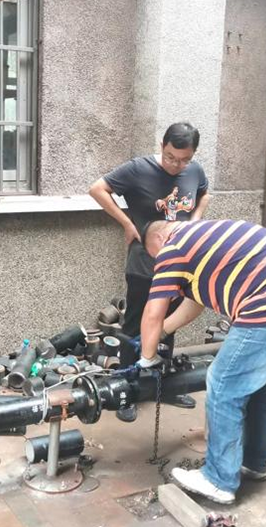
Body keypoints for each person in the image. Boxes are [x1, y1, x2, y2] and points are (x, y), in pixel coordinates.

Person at [138, 218, 266, 504]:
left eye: (155, 256)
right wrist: (161, 334)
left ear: (159, 240)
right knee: (265, 389)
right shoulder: (203, 240)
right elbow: (192, 306)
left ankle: (218, 479)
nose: (158, 263)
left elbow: (153, 313)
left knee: (223, 383)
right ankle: (254, 462)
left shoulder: (172, 248)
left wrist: (147, 357)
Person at [89, 122, 210, 420]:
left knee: (168, 325)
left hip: (180, 264)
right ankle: (126, 390)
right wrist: (127, 223)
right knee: (135, 325)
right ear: (161, 146)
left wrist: (196, 219)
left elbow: (205, 194)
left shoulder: (194, 171)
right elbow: (97, 189)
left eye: (184, 159)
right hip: (145, 264)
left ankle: (161, 387)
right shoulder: (138, 169)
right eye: (170, 157)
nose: (176, 165)